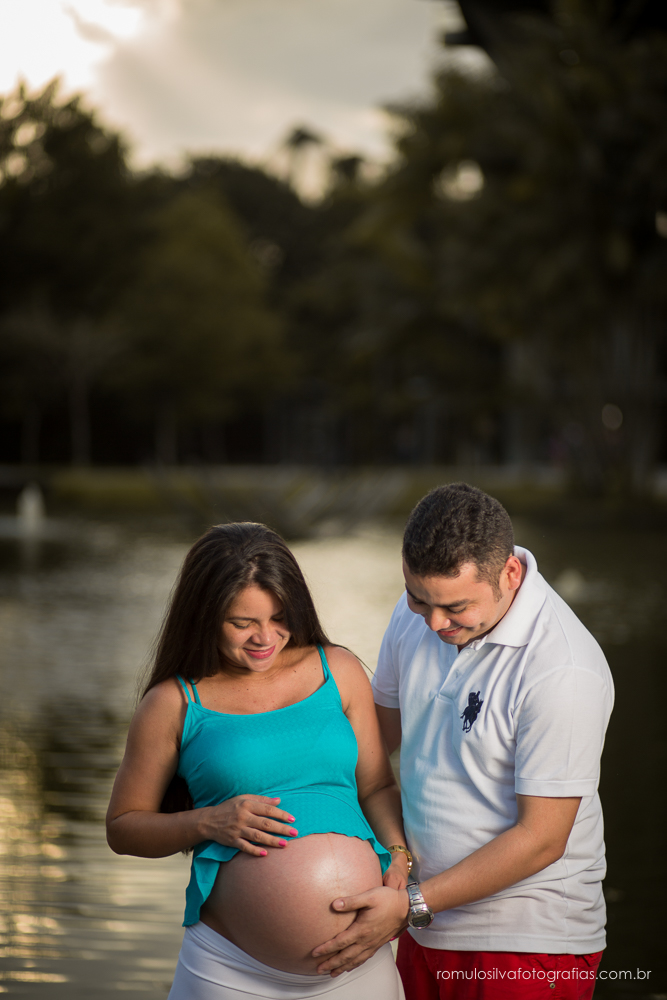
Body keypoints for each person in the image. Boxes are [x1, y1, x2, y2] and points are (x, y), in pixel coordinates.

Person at [311, 483, 614, 1000]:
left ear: (510, 575)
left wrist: (410, 904)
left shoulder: (563, 668)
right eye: (417, 597)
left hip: (530, 944)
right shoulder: (421, 611)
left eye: (455, 607)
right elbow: (373, 744)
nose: (432, 622)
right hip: (422, 922)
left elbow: (542, 838)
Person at [106, 522, 408, 1000]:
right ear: (204, 616)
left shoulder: (339, 669)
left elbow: (376, 787)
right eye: (242, 623)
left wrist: (398, 856)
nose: (265, 638)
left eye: (279, 617)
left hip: (358, 965)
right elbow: (123, 827)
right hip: (231, 972)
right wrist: (209, 821)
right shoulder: (174, 703)